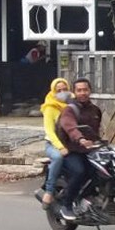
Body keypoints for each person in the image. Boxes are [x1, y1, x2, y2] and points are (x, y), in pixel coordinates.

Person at [54, 77, 103, 221]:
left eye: (85, 90)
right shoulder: (69, 110)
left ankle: (87, 198)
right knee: (79, 172)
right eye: (79, 90)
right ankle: (66, 205)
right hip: (71, 151)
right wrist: (80, 139)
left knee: (103, 172)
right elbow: (70, 127)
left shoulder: (95, 110)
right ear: (74, 92)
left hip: (90, 151)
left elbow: (96, 131)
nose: (83, 93)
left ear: (90, 91)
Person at [37, 77, 71, 205]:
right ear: (53, 91)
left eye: (65, 89)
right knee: (58, 158)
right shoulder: (50, 107)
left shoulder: (73, 104)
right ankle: (49, 190)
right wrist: (60, 147)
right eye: (58, 90)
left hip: (71, 143)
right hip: (53, 144)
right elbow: (50, 132)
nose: (62, 93)